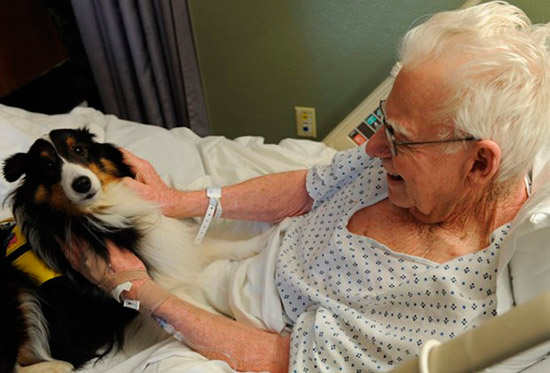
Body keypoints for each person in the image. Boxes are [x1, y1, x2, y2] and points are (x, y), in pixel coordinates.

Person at [62, 2, 550, 372]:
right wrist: (184, 201)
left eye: (399, 139)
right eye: (384, 122)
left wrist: (136, 290)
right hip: (264, 249)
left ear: (480, 163)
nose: (373, 148)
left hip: (253, 326)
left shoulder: (448, 308)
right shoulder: (407, 165)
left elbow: (285, 359)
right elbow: (309, 187)